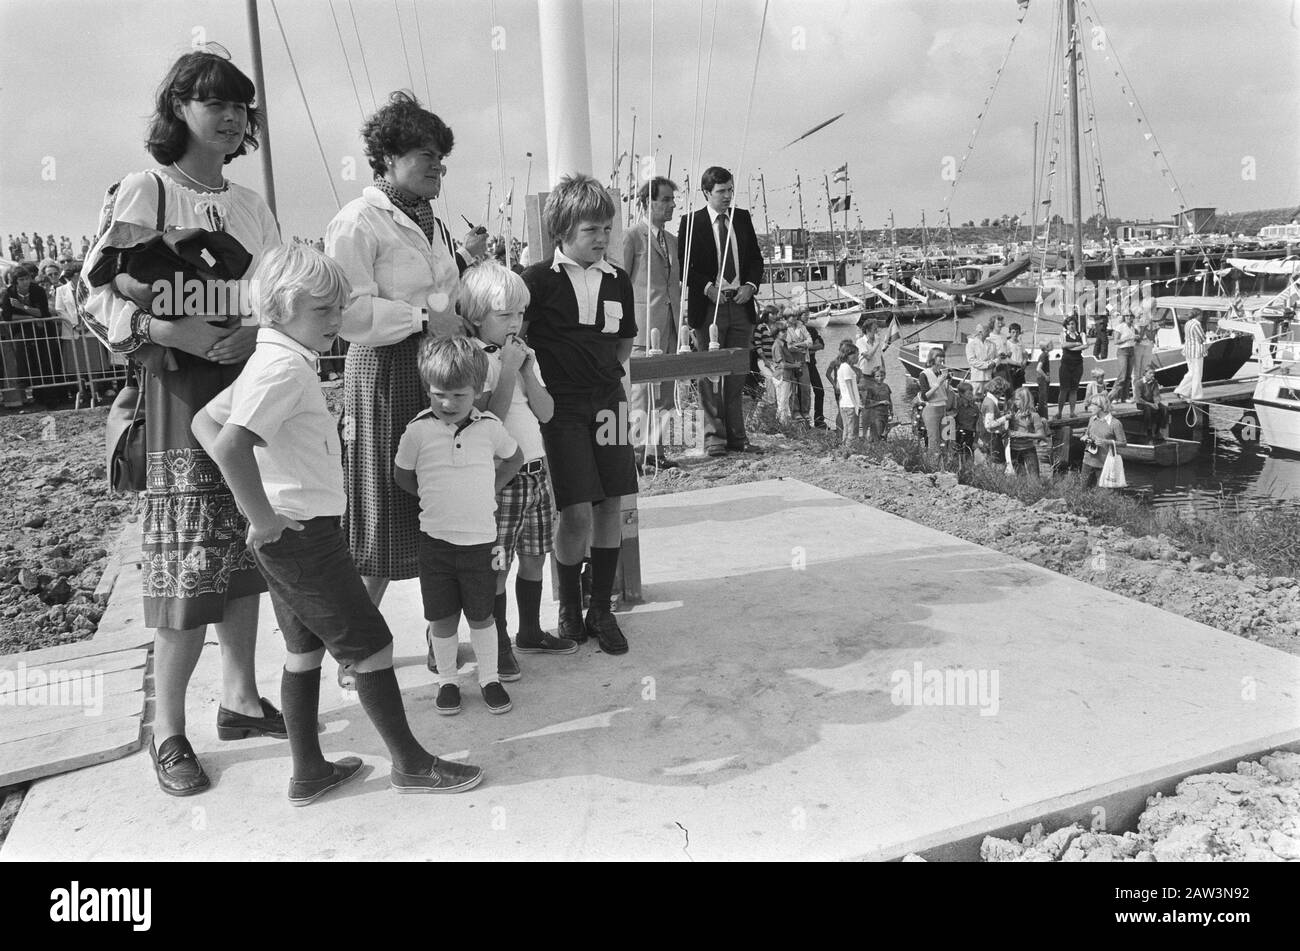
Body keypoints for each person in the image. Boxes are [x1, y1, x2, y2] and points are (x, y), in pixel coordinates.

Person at [193, 244, 483, 800]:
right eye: (322, 310)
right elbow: (230, 445)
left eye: (339, 307)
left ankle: (309, 771)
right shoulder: (283, 368)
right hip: (301, 534)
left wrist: (264, 507)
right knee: (371, 646)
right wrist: (261, 516)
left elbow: (207, 420)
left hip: (294, 532)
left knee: (303, 651)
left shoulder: (273, 357)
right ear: (280, 308)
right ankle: (411, 765)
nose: (336, 320)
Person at [80, 49, 286, 796]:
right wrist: (165, 331)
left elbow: (281, 292)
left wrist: (256, 333)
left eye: (238, 106)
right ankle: (168, 730)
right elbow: (90, 292)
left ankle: (240, 699)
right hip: (178, 393)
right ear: (178, 110)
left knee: (250, 547)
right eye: (212, 103)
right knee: (187, 561)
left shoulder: (251, 205)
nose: (229, 117)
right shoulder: (148, 189)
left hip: (247, 385)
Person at [325, 93, 486, 687]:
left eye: (442, 157)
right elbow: (347, 313)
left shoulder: (432, 222)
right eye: (425, 155)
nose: (437, 166)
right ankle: (354, 650)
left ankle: (438, 637)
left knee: (438, 502)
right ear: (387, 158)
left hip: (437, 367)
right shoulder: (356, 221)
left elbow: (446, 293)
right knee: (382, 508)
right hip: (386, 372)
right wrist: (422, 318)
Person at [521, 173, 638, 655]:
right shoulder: (536, 281)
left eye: (606, 229)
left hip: (609, 402)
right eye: (591, 230)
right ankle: (569, 607)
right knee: (574, 510)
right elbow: (517, 342)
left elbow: (624, 342)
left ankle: (601, 609)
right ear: (563, 230)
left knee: (611, 503)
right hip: (562, 408)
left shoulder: (618, 280)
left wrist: (605, 376)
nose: (602, 238)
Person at [395, 336, 524, 715]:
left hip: (481, 544)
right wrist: (430, 496)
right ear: (427, 389)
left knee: (482, 616)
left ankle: (490, 679)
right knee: (442, 618)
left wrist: (491, 487)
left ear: (478, 390)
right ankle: (447, 681)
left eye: (458, 395)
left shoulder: (490, 427)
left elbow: (514, 459)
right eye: (439, 394)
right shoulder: (417, 430)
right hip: (435, 544)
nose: (448, 404)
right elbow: (402, 474)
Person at [461, 262, 576, 679]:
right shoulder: (474, 359)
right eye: (504, 314)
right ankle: (498, 645)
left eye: (520, 314)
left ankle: (530, 631)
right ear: (477, 316)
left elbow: (546, 412)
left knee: (534, 556)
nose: (515, 323)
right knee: (497, 565)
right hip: (502, 478)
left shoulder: (524, 357)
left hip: (536, 472)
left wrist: (526, 369)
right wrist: (508, 368)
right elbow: (488, 417)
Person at [677, 166, 764, 455]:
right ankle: (714, 437)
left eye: (730, 190)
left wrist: (750, 285)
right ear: (706, 192)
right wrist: (706, 288)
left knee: (737, 373)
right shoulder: (692, 222)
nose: (727, 196)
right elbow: (684, 266)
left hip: (740, 305)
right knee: (710, 374)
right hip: (708, 309)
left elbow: (755, 259)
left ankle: (738, 437)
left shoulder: (742, 218)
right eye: (721, 191)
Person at [622, 175, 681, 470]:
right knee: (641, 395)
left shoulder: (672, 241)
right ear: (648, 202)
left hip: (670, 327)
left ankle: (656, 452)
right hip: (642, 327)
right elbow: (621, 284)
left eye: (673, 200)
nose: (672, 205)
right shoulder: (632, 237)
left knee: (665, 395)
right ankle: (637, 453)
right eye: (666, 200)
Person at [1, 265, 51, 404]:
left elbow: (43, 313)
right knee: (22, 359)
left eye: (27, 278)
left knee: (43, 362)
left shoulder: (38, 290)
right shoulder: (9, 293)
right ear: (15, 281)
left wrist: (22, 307)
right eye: (21, 279)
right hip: (20, 332)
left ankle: (45, 395)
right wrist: (30, 317)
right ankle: (25, 385)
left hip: (42, 331)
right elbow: (7, 317)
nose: (25, 282)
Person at [1081, 394, 1126, 488]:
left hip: (1104, 464)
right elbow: (1087, 434)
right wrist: (1085, 437)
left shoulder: (1115, 423)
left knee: (1102, 493)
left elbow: (1123, 443)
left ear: (1100, 406)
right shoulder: (1092, 419)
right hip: (1087, 461)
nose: (1089, 407)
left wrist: (1106, 442)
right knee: (1083, 491)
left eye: (1092, 405)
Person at [1006, 387, 1050, 476]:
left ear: (1025, 400)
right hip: (1013, 449)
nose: (1015, 402)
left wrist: (1022, 434)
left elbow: (1041, 435)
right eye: (1015, 399)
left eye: (1017, 400)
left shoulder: (1034, 415)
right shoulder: (1013, 414)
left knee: (1034, 478)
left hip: (1028, 449)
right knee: (1020, 478)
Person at [918, 349, 950, 451]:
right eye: (939, 356)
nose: (942, 358)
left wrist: (947, 382)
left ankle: (944, 460)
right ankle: (932, 460)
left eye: (942, 356)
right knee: (934, 439)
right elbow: (925, 397)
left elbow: (945, 393)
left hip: (943, 407)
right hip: (932, 409)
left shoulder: (942, 372)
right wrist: (938, 383)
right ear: (932, 358)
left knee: (945, 438)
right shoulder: (924, 374)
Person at [978, 375, 1012, 464]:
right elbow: (988, 424)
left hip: (988, 436)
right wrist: (1005, 418)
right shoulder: (990, 403)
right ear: (999, 390)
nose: (1003, 394)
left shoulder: (988, 400)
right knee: (999, 462)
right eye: (1003, 391)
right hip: (992, 437)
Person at [1057, 314, 1085, 418]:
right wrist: (1077, 344)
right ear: (1066, 326)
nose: (1071, 326)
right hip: (1066, 364)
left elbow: (1085, 345)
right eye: (1069, 324)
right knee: (1063, 389)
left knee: (1074, 389)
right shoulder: (1063, 334)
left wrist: (1071, 347)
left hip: (1078, 364)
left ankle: (1072, 412)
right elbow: (1063, 345)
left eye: (1073, 324)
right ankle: (1059, 412)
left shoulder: (1081, 334)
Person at [1173, 308, 1206, 400]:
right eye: (1201, 315)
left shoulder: (1188, 323)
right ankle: (1196, 395)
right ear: (1197, 315)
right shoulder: (1196, 324)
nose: (1202, 317)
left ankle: (1181, 390)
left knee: (1191, 373)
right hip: (1196, 352)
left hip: (1188, 351)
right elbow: (1202, 338)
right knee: (1197, 374)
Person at [833, 340, 861, 445]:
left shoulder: (841, 367)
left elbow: (838, 386)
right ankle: (849, 450)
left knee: (846, 429)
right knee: (852, 432)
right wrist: (856, 405)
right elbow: (850, 388)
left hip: (844, 403)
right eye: (856, 355)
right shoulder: (847, 368)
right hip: (850, 404)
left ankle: (843, 449)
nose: (858, 357)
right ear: (849, 355)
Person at [1108, 309, 1137, 403]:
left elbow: (1133, 339)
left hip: (1131, 350)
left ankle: (1125, 397)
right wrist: (1128, 338)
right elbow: (1116, 341)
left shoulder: (1132, 327)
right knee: (1122, 376)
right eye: (1127, 315)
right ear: (1124, 317)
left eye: (1131, 316)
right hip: (1123, 351)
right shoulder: (1120, 327)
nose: (1129, 317)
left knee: (1128, 376)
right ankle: (1113, 397)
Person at [1134, 365, 1169, 442]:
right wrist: (1150, 404)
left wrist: (1156, 403)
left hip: (1152, 401)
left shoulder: (1154, 382)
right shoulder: (1139, 383)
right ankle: (1148, 431)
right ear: (1145, 373)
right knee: (1148, 410)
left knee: (1164, 409)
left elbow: (1156, 394)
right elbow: (1138, 398)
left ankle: (1158, 430)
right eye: (1150, 373)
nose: (1152, 375)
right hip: (1142, 403)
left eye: (1153, 373)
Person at [862, 365, 894, 442]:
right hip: (876, 415)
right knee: (877, 434)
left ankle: (882, 446)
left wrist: (891, 410)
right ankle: (874, 445)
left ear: (885, 376)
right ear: (873, 377)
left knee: (884, 434)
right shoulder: (871, 388)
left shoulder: (886, 386)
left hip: (885, 413)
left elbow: (889, 399)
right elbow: (867, 404)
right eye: (877, 376)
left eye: (882, 376)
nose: (880, 378)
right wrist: (880, 402)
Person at [805, 319, 827, 428]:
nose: (806, 317)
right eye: (804, 314)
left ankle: (819, 420)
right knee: (804, 393)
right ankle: (805, 421)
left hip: (811, 364)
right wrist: (812, 348)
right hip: (801, 365)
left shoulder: (810, 329)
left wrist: (808, 349)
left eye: (807, 314)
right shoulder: (793, 331)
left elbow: (821, 345)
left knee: (819, 391)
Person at [964, 322, 996, 393]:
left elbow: (996, 358)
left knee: (988, 396)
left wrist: (994, 363)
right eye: (987, 330)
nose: (989, 332)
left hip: (989, 377)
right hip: (977, 378)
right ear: (980, 332)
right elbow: (972, 361)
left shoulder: (992, 345)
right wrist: (987, 365)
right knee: (976, 397)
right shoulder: (971, 345)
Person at [952, 380, 981, 455]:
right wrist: (952, 440)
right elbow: (952, 423)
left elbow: (978, 425)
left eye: (972, 392)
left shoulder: (975, 407)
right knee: (956, 458)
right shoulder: (956, 406)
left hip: (970, 436)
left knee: (969, 457)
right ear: (961, 394)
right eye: (969, 393)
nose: (971, 395)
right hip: (957, 435)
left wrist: (975, 441)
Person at [1133, 298, 1157, 383]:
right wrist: (1144, 327)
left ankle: (1144, 387)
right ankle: (1136, 389)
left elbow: (1152, 337)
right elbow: (1138, 337)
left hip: (1148, 346)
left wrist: (1149, 327)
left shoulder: (1152, 321)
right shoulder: (1138, 319)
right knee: (1136, 370)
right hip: (1139, 346)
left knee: (1145, 369)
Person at [1033, 342, 1052, 419]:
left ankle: (1043, 416)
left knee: (1044, 398)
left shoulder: (1046, 355)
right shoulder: (1043, 355)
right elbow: (1038, 368)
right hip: (1042, 379)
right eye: (1050, 345)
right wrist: (1045, 376)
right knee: (1043, 399)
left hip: (1043, 379)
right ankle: (1043, 417)